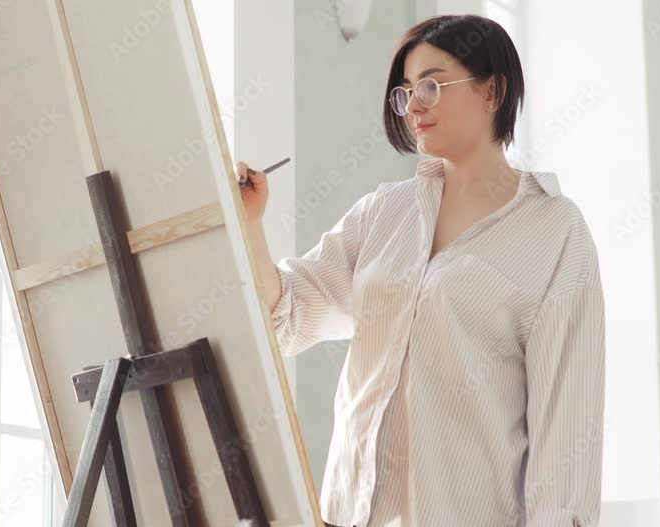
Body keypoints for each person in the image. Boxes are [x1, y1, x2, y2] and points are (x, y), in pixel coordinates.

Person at [237, 14, 605, 527]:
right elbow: (289, 313)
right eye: (404, 92)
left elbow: (567, 426)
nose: (412, 106)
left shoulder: (554, 229)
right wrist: (250, 224)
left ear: (493, 91)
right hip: (348, 515)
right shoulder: (383, 212)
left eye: (431, 86)